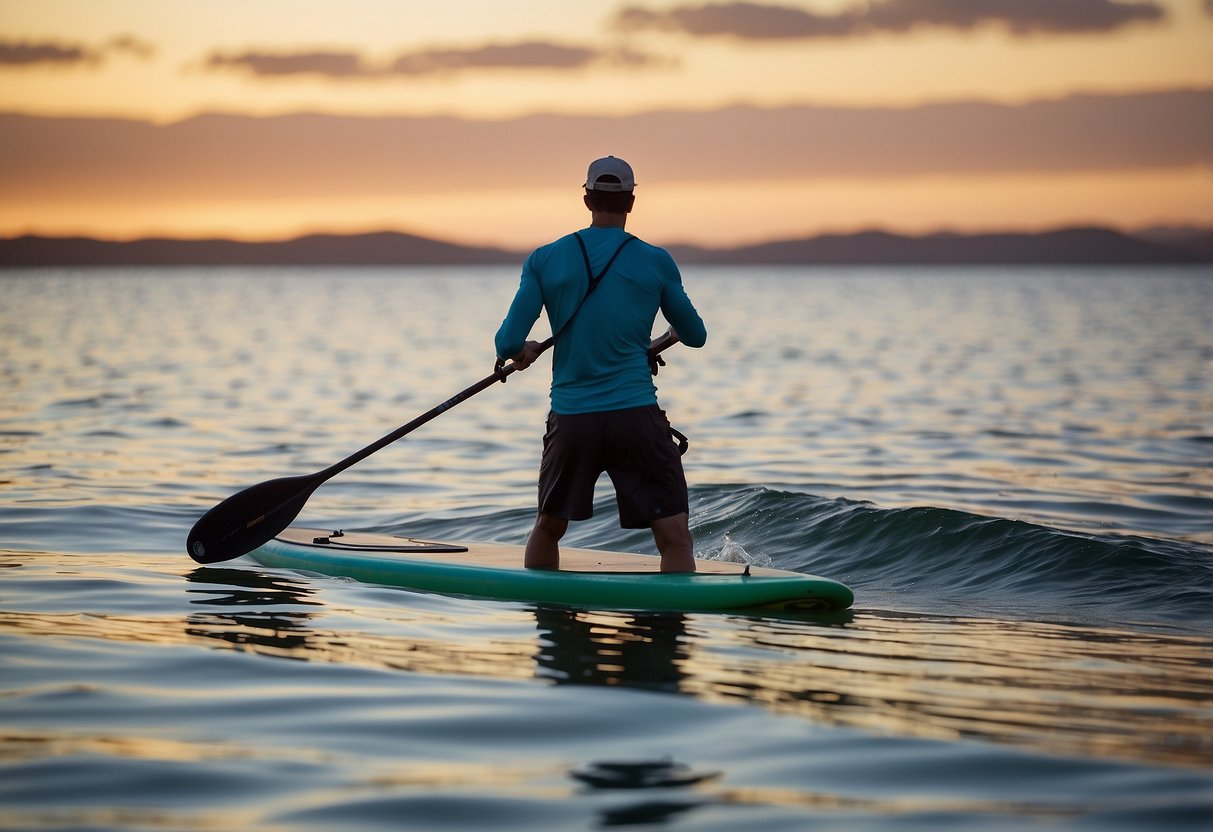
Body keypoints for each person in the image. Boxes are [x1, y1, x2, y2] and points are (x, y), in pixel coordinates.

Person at [495, 155, 707, 572]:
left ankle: (550, 624)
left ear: (587, 199)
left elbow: (506, 343)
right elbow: (695, 335)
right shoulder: (656, 260)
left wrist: (526, 350)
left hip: (574, 419)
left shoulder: (545, 258)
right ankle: (671, 628)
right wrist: (663, 336)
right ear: (630, 203)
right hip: (635, 416)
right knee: (674, 537)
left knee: (548, 527)